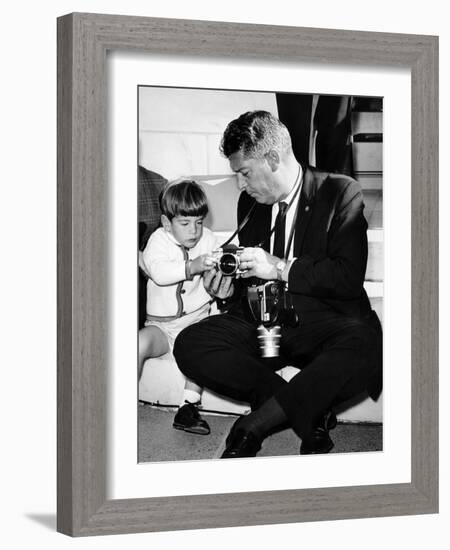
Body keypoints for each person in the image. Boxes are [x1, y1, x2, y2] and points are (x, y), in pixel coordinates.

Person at [173, 110, 382, 457]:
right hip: (267, 331)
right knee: (192, 343)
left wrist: (281, 268)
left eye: (244, 173)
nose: (241, 185)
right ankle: (306, 409)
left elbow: (346, 277)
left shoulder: (340, 191)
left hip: (321, 328)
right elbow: (246, 281)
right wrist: (226, 291)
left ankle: (254, 425)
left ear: (272, 158)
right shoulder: (251, 202)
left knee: (368, 342)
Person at [139, 179, 218, 435]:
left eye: (199, 222)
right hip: (161, 326)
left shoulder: (209, 239)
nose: (194, 231)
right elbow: (159, 272)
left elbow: (217, 276)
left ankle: (188, 407)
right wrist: (191, 267)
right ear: (166, 223)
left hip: (195, 323)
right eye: (184, 223)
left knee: (202, 350)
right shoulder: (158, 241)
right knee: (138, 343)